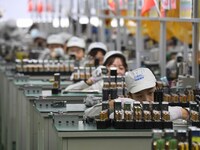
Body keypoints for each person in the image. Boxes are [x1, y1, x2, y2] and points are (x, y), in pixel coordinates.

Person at [84, 67, 189, 121]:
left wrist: (181, 112)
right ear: (130, 96)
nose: (147, 99)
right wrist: (113, 104)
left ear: (156, 88)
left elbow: (188, 113)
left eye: (150, 93)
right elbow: (87, 113)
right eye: (139, 96)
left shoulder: (167, 111)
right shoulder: (124, 111)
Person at [63, 50, 128, 91]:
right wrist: (91, 80)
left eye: (121, 68)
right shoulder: (100, 85)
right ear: (104, 68)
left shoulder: (129, 84)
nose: (117, 71)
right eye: (113, 67)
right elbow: (68, 90)